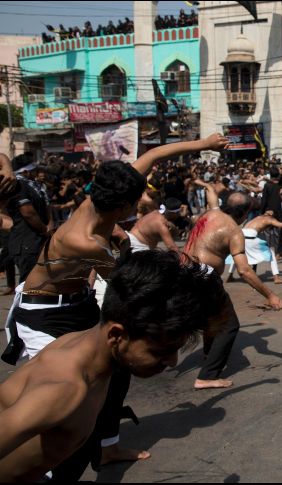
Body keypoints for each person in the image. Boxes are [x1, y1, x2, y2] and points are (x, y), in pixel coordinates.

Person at [2, 134, 229, 477]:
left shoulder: (107, 195)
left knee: (115, 373)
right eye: (137, 204)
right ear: (124, 206)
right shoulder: (82, 241)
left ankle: (106, 449)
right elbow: (131, 282)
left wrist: (205, 144)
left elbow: (154, 153)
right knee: (64, 399)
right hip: (42, 314)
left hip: (77, 302)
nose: (140, 208)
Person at [0, 250, 227, 483]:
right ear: (117, 334)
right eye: (160, 351)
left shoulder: (84, 344)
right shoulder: (64, 391)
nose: (172, 362)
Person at [184, 184, 282, 390]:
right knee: (229, 325)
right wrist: (270, 295)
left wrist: (203, 184)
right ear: (246, 213)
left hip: (185, 271)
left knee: (212, 320)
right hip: (205, 278)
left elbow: (212, 194)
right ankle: (207, 376)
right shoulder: (233, 230)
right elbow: (244, 271)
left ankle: (207, 356)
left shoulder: (209, 213)